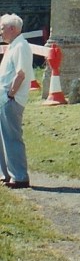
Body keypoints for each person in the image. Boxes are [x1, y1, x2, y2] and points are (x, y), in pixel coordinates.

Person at [0, 13, 33, 188]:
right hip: (4, 99)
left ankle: (19, 176)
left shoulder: (21, 46)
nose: (1, 32)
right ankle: (5, 173)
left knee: (12, 138)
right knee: (3, 138)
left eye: (2, 29)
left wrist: (10, 94)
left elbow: (21, 74)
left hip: (10, 100)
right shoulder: (13, 45)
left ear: (12, 29)